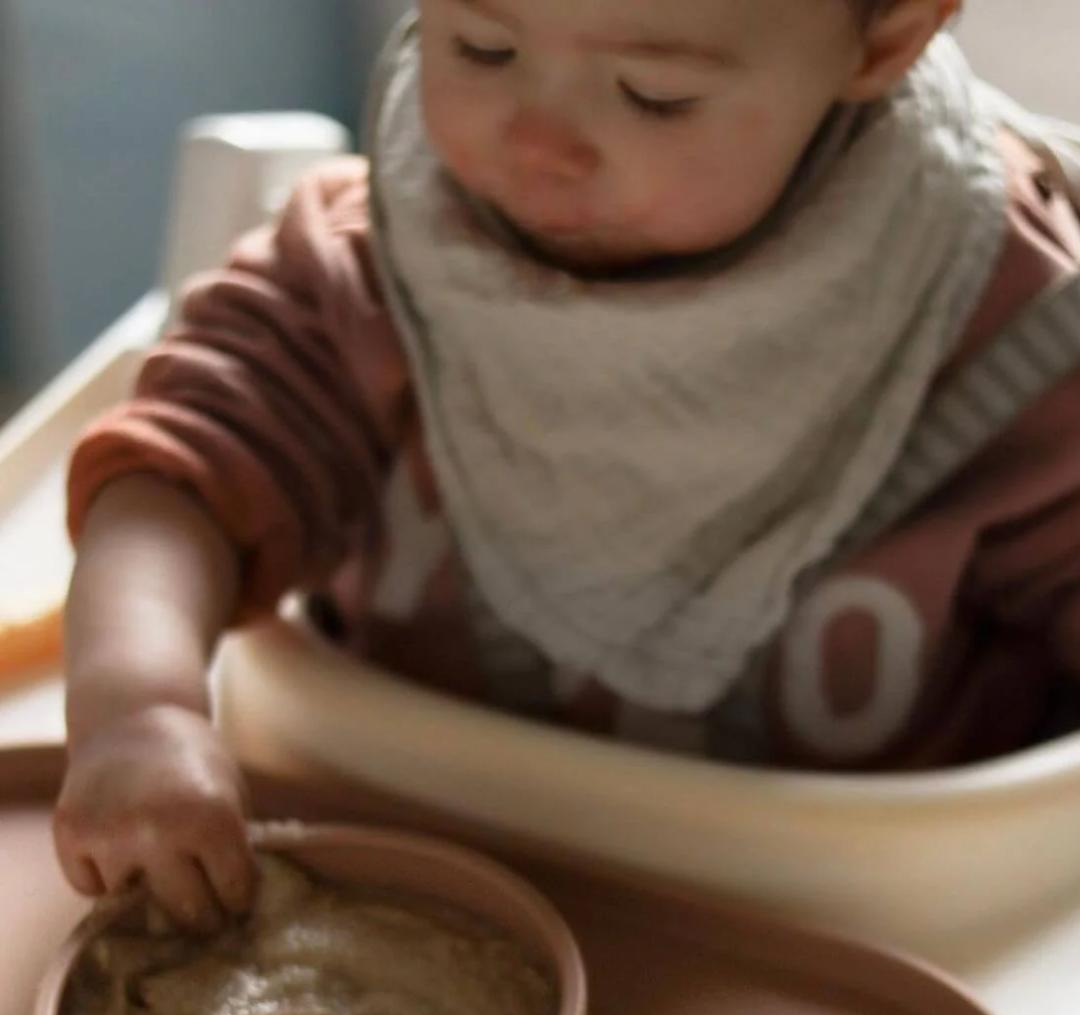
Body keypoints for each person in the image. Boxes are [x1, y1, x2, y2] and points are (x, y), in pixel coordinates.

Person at [54, 0, 1080, 929]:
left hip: (849, 945)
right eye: (480, 46)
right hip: (385, 874)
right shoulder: (373, 267)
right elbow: (180, 475)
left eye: (655, 93)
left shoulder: (1007, 326)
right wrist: (137, 707)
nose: (538, 144)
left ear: (888, 36)